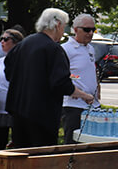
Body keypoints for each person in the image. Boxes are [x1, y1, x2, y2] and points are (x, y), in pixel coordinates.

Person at [6, 8, 94, 148]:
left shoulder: (23, 44)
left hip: (18, 111)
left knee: (20, 155)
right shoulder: (53, 49)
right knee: (41, 157)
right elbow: (61, 83)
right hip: (42, 115)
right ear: (57, 24)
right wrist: (84, 95)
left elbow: (8, 71)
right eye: (64, 26)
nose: (63, 31)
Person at [61, 13, 100, 144]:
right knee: (72, 142)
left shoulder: (90, 49)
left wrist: (97, 87)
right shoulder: (66, 49)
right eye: (86, 30)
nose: (90, 33)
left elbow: (90, 71)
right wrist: (77, 83)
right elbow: (65, 76)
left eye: (93, 30)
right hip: (74, 105)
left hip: (92, 104)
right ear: (76, 29)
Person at [0, 28, 23, 148]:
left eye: (5, 39)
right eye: (1, 39)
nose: (2, 42)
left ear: (16, 42)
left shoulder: (22, 61)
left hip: (13, 109)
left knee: (16, 143)